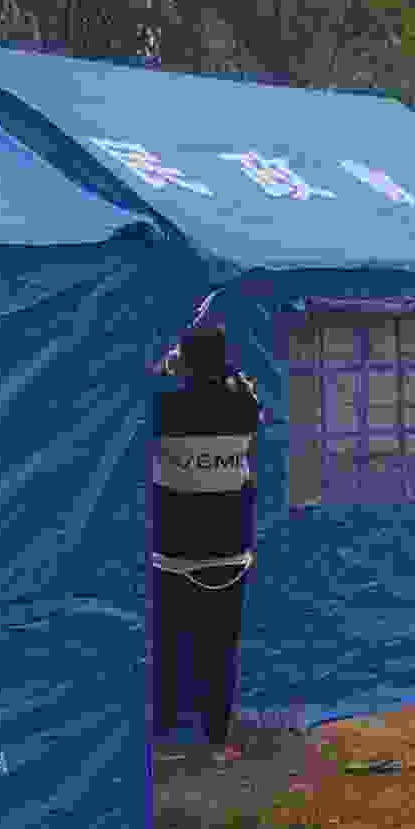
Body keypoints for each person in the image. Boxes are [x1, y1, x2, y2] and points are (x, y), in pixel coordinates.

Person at [152, 323, 264, 755]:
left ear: (185, 362)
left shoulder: (166, 407)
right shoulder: (243, 407)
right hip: (230, 553)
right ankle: (216, 737)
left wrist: (166, 366)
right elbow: (246, 395)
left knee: (170, 647)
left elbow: (150, 384)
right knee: (220, 649)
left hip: (174, 553)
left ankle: (166, 734)